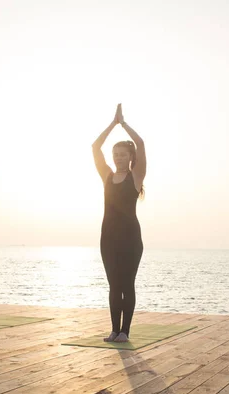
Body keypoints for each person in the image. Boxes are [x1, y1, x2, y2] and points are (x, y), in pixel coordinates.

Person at [92, 104, 146, 343]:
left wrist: (124, 124)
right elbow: (95, 147)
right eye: (115, 154)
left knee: (127, 283)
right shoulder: (106, 176)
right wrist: (111, 125)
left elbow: (141, 144)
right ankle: (114, 330)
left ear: (130, 157)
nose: (118, 157)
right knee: (114, 285)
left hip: (130, 239)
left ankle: (126, 331)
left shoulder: (136, 177)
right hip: (108, 238)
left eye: (122, 154)